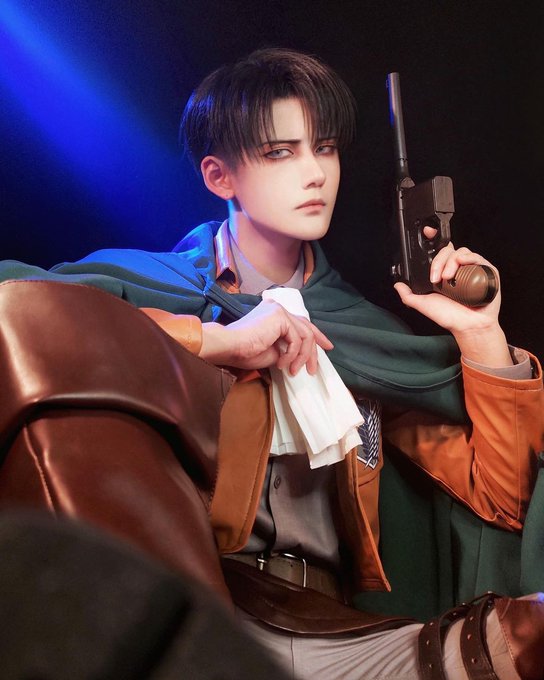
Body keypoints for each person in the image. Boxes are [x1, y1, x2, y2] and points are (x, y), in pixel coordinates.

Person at [1, 48, 543, 679]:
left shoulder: (366, 337)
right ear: (219, 176)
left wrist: (481, 335)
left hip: (338, 634)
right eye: (280, 152)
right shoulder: (150, 287)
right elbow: (22, 319)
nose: (315, 174)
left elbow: (498, 501)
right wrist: (217, 341)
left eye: (326, 148)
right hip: (198, 610)